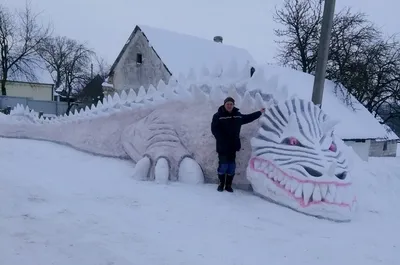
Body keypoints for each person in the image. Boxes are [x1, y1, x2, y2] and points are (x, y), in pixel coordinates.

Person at [211, 96, 265, 192]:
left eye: (231, 104)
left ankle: (228, 185)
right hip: (222, 146)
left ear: (233, 105)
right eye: (227, 104)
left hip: (233, 146)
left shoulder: (237, 116)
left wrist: (259, 112)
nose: (229, 106)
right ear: (224, 104)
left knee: (231, 167)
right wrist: (222, 139)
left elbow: (248, 118)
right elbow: (214, 129)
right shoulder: (218, 116)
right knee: (223, 166)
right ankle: (221, 184)